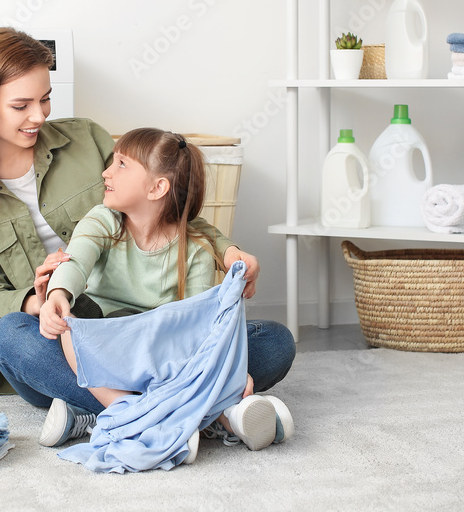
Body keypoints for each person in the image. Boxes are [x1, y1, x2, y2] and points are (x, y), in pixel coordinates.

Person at [0, 26, 294, 420]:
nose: (39, 115)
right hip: (70, 330)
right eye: (21, 106)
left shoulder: (86, 138)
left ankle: (121, 411)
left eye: (46, 99)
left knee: (274, 341)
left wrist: (229, 250)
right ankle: (190, 400)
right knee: (8, 338)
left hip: (150, 326)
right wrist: (45, 302)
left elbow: (164, 208)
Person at [37, 128, 293, 457]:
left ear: (158, 187)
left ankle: (121, 413)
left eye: (121, 164)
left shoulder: (196, 248)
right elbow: (76, 260)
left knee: (274, 341)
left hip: (167, 356)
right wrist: (58, 293)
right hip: (109, 346)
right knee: (17, 335)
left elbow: (198, 325)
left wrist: (218, 362)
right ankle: (210, 412)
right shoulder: (103, 221)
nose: (106, 172)